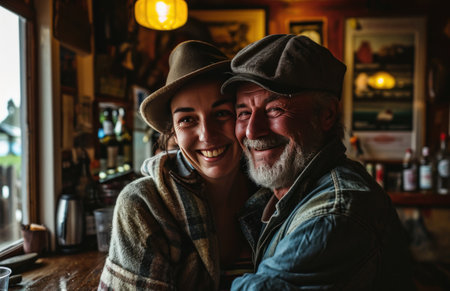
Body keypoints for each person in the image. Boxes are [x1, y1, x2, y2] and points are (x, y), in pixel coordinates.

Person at [221, 34, 415, 290]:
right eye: (243, 113)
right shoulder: (285, 192)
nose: (252, 132)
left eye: (274, 109)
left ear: (327, 114)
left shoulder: (335, 214)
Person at [98, 40, 256, 290]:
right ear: (172, 132)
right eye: (187, 120)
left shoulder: (272, 192)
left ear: (243, 116)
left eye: (222, 113)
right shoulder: (144, 206)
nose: (207, 135)